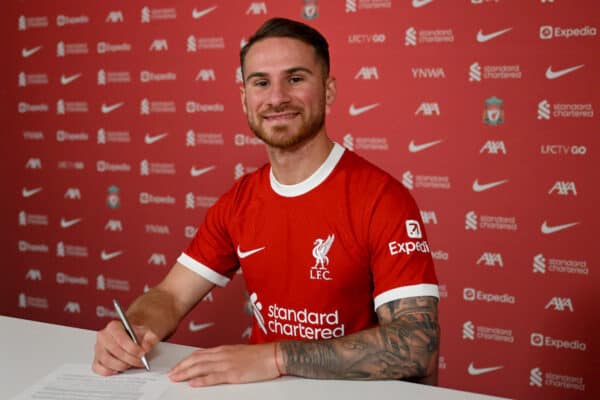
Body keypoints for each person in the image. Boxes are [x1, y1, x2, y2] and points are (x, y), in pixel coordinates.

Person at [93, 17, 440, 387]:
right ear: (245, 98)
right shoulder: (240, 200)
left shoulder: (382, 199)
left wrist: (275, 356)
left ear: (329, 89)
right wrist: (135, 328)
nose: (276, 98)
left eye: (295, 79)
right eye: (261, 82)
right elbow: (171, 296)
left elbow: (417, 346)